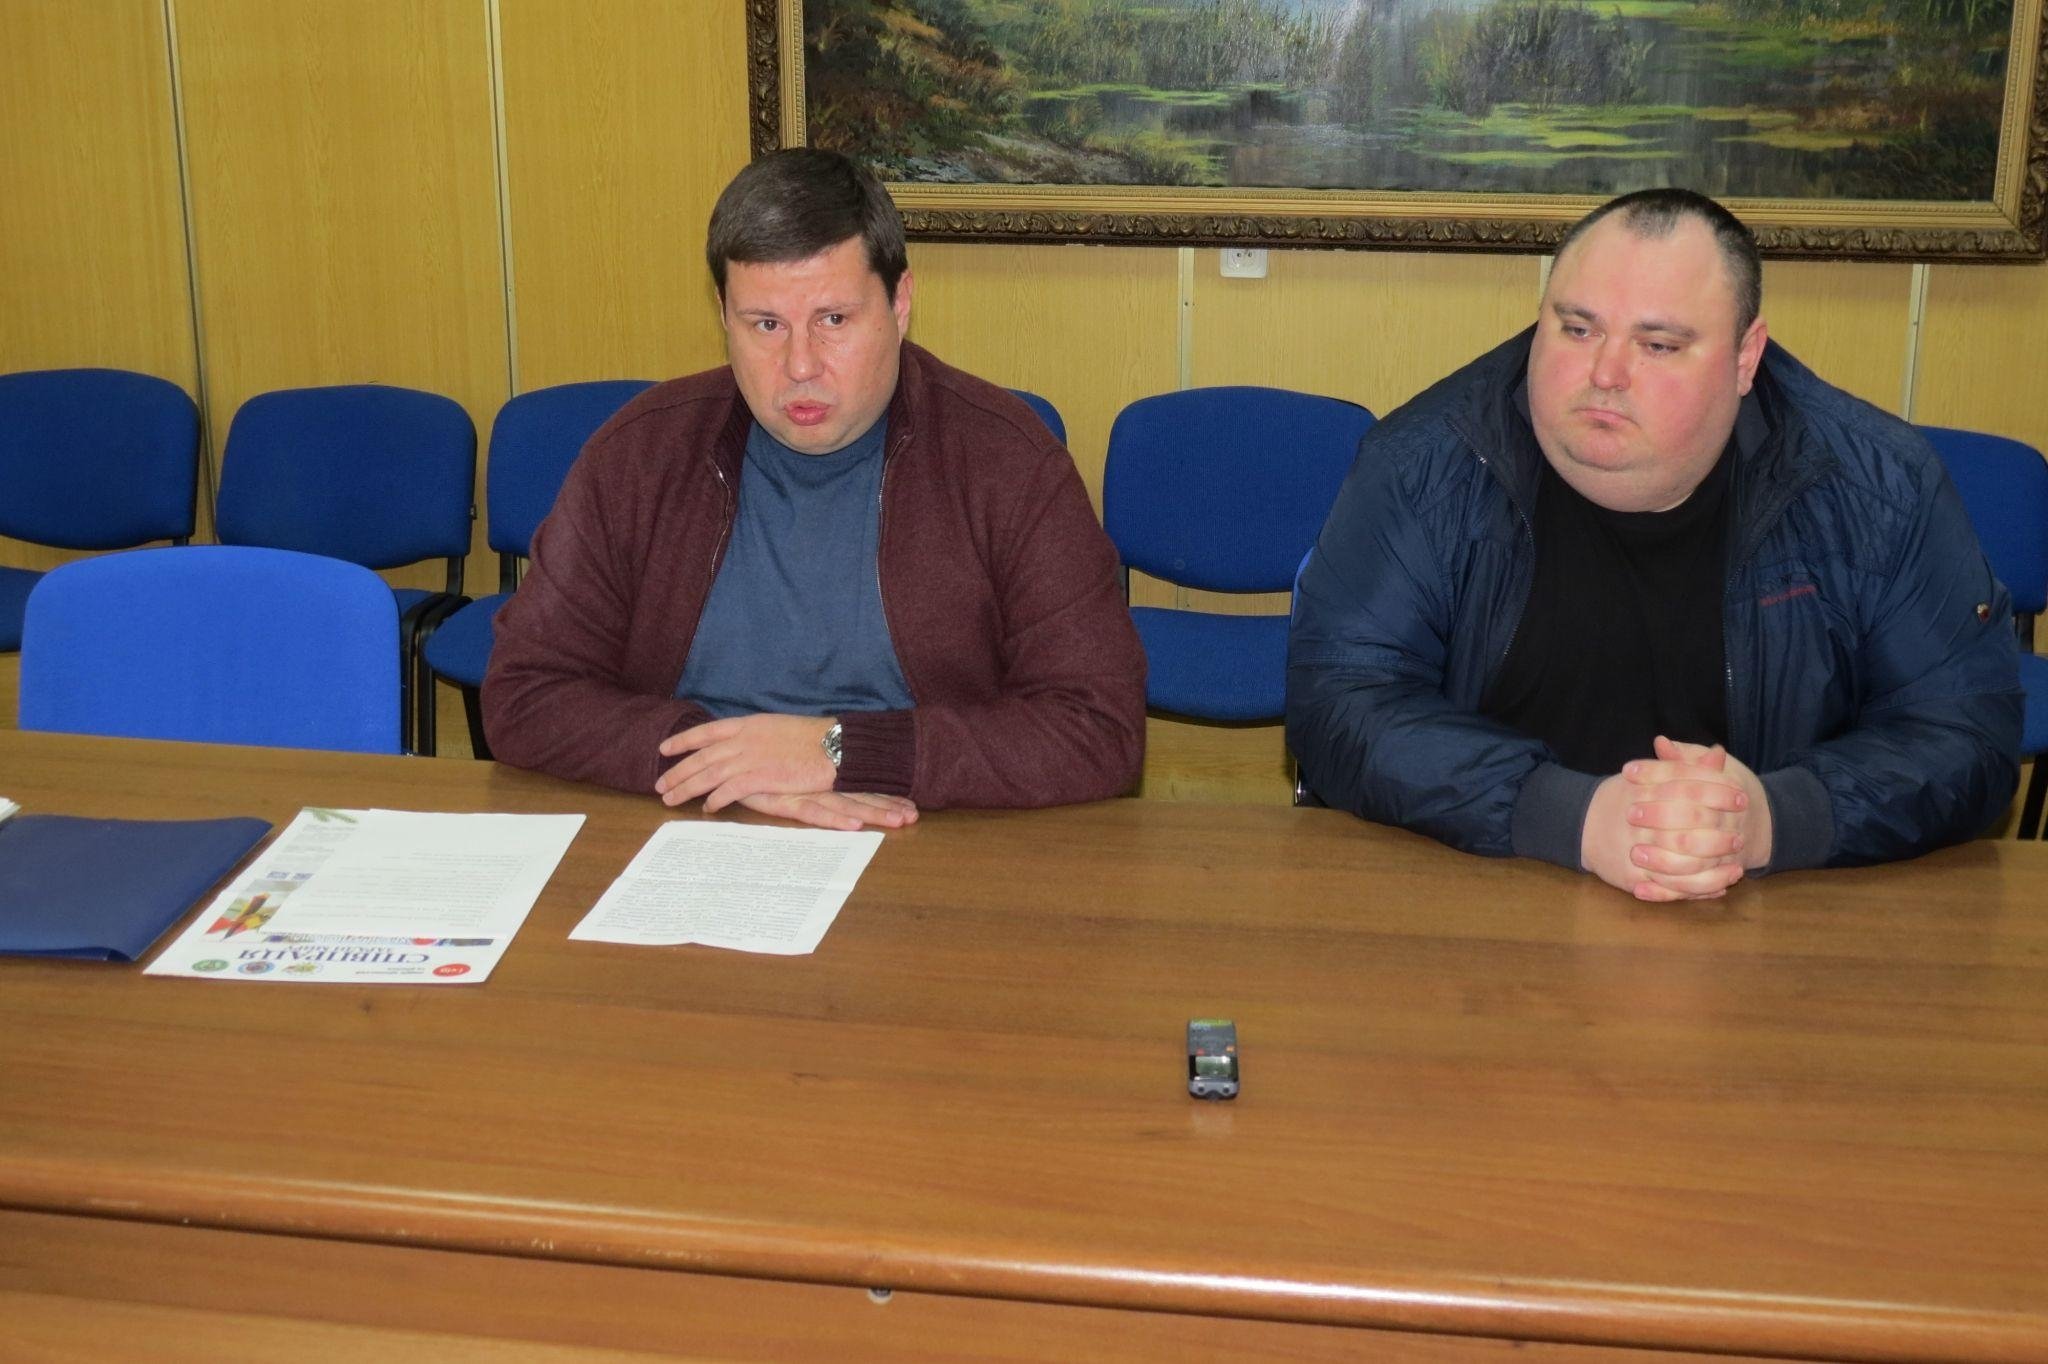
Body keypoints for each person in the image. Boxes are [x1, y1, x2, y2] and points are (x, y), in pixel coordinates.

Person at [1287, 188, 2022, 900]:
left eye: (1658, 344)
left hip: (1769, 907)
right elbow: (1340, 701)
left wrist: (1772, 818)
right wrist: (1570, 815)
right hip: (1478, 887)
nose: (1605, 374)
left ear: (1745, 357)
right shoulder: (1424, 467)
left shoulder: (1880, 489)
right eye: (1578, 329)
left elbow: (1964, 733)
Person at [484, 149, 1146, 830]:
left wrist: (839, 751)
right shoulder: (639, 455)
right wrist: (726, 764)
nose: (800, 365)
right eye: (766, 325)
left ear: (900, 303)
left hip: (918, 827)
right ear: (723, 315)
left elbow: (1099, 727)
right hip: (696, 821)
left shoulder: (1006, 461)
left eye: (833, 320)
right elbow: (524, 692)